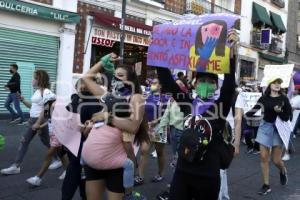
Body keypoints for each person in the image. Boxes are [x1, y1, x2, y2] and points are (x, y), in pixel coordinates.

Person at [155, 29, 238, 200]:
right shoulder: (188, 105)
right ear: (194, 83)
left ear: (216, 86)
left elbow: (229, 87)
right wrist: (158, 52)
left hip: (208, 175)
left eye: (210, 82)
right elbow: (168, 83)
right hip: (183, 172)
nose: (206, 85)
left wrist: (232, 56)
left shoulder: (219, 108)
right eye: (202, 81)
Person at [81, 53, 148, 200]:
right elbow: (86, 78)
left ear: (130, 79)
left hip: (114, 164)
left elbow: (133, 127)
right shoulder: (107, 95)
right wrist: (102, 62)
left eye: (120, 76)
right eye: (115, 75)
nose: (116, 78)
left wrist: (107, 117)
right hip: (93, 162)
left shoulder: (135, 97)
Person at [1, 70, 57, 175]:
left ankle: (16, 166)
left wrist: (38, 123)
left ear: (39, 79)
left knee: (25, 141)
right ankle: (58, 158)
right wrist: (22, 99)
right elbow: (33, 107)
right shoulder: (37, 92)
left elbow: (46, 110)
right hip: (33, 120)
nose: (32, 80)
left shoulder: (46, 92)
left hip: (38, 121)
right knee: (46, 142)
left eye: (34, 78)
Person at [246, 77, 291, 195]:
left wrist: (279, 112)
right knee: (264, 157)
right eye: (275, 83)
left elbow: (287, 117)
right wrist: (242, 114)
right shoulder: (264, 98)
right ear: (269, 85)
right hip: (265, 127)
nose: (277, 85)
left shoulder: (284, 99)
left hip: (278, 129)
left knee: (276, 160)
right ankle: (266, 185)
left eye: (279, 83)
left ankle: (282, 170)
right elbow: (254, 110)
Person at [25, 98, 68, 186]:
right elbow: (49, 121)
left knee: (48, 155)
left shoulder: (56, 107)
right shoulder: (48, 110)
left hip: (58, 135)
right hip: (53, 135)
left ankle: (38, 178)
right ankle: (68, 171)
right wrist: (40, 126)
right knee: (61, 154)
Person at [134, 78, 169, 185]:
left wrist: (156, 121)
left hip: (159, 128)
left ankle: (161, 173)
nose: (151, 85)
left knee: (159, 152)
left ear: (160, 86)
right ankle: (140, 176)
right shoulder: (147, 94)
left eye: (154, 83)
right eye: (151, 83)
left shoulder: (165, 98)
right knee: (144, 151)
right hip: (146, 127)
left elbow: (167, 113)